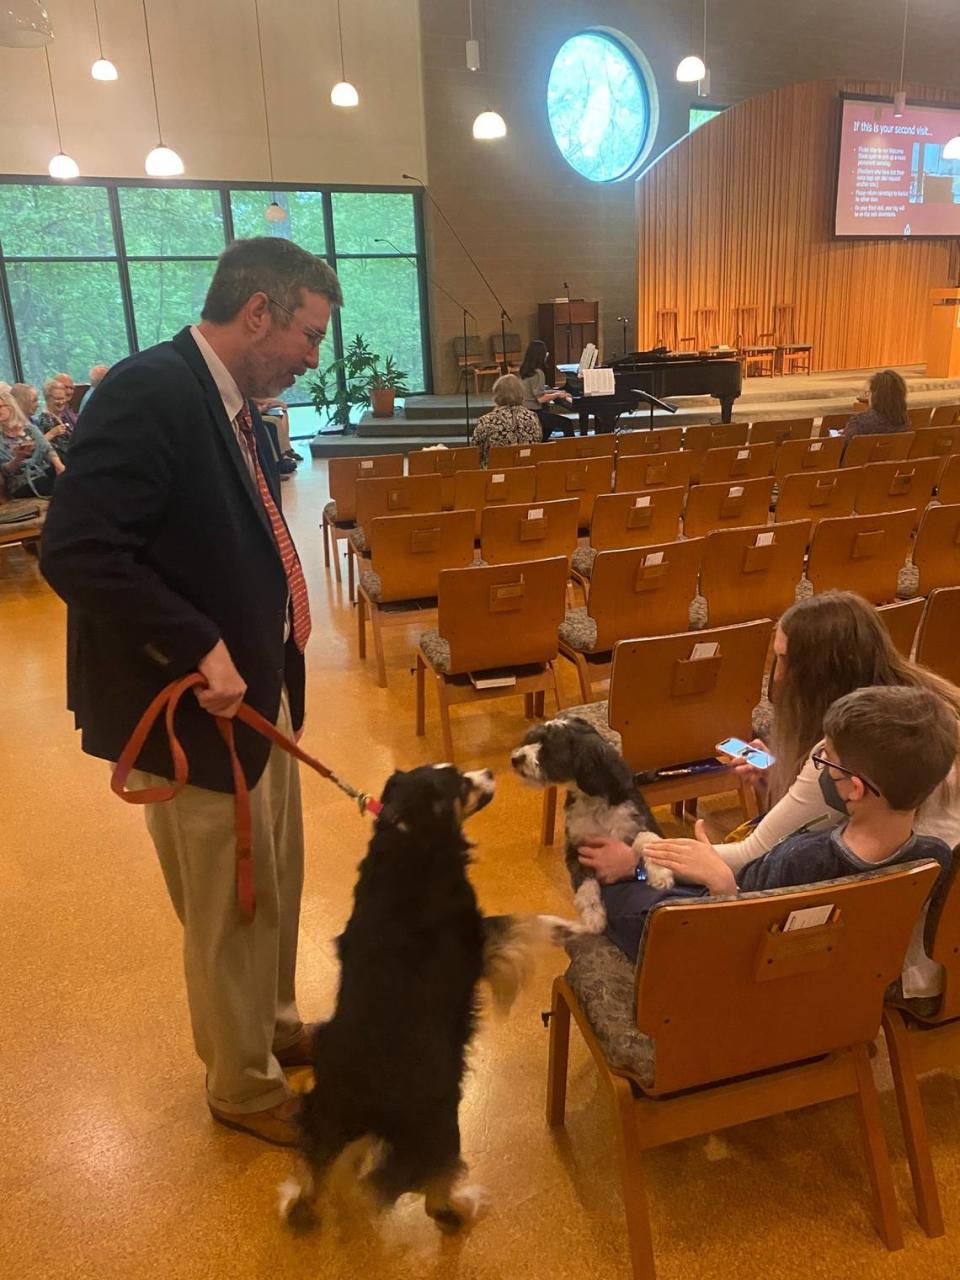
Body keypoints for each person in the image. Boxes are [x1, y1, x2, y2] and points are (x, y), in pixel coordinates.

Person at [41, 236, 344, 1148]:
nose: (311, 356)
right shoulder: (150, 389)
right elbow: (78, 550)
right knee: (227, 901)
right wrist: (198, 642)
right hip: (194, 707)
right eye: (308, 333)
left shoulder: (235, 400)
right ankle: (242, 1085)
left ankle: (275, 1023)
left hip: (257, 692)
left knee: (276, 880)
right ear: (258, 312)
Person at [580, 591, 960, 995]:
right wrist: (785, 779)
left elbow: (751, 877)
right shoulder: (929, 726)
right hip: (905, 945)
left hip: (801, 955)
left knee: (616, 892)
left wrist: (641, 858)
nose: (774, 676)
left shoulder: (807, 851)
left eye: (781, 659)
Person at [596, 686, 956, 965]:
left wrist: (719, 881)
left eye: (825, 760)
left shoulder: (803, 859)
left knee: (610, 889)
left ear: (855, 787)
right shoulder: (934, 856)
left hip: (720, 931)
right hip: (832, 973)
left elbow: (740, 948)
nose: (821, 769)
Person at [0, 387, 63, 498]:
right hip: (21, 483)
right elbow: (5, 471)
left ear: (10, 406)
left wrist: (58, 464)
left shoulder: (28, 428)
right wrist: (18, 458)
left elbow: (46, 447)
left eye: (0, 407)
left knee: (67, 464)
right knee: (53, 485)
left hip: (42, 472)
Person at [471, 373, 542, 464]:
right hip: (526, 473)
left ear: (497, 394)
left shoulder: (487, 420)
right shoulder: (532, 417)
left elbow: (475, 452)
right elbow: (538, 443)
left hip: (495, 475)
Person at [518, 339, 574, 438]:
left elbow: (536, 392)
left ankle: (543, 445)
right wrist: (558, 394)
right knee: (567, 423)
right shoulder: (538, 373)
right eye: (546, 353)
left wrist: (555, 391)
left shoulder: (526, 370)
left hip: (525, 410)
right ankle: (570, 452)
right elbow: (540, 398)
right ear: (541, 355)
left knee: (550, 425)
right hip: (534, 413)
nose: (547, 355)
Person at [842, 369, 909, 440]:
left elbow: (843, 445)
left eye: (868, 393)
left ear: (876, 395)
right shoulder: (904, 422)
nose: (868, 397)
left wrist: (845, 433)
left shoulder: (859, 422)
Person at [36, 376, 75, 459]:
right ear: (47, 399)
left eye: (63, 398)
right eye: (57, 399)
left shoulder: (62, 418)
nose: (61, 402)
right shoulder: (44, 420)